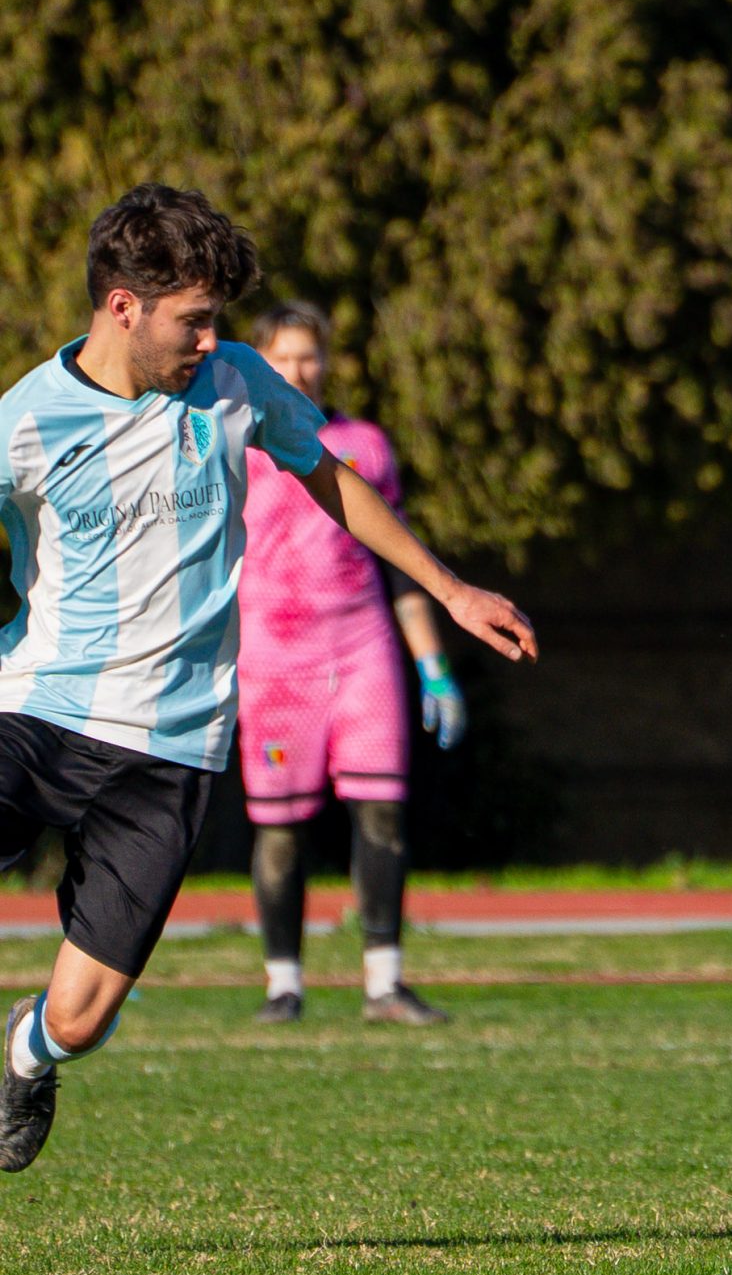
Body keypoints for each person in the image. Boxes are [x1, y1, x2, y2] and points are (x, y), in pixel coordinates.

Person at [0, 186, 537, 1174]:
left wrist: (451, 589)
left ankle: (25, 1056)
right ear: (123, 306)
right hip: (35, 713)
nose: (212, 340)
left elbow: (327, 475)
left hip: (173, 745)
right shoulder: (25, 423)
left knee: (79, 1018)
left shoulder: (236, 383)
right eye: (194, 319)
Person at [238, 302, 466, 1026]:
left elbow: (400, 563)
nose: (298, 370)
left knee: (383, 813)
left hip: (362, 650)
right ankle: (283, 984)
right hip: (273, 661)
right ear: (259, 362)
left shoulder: (365, 444)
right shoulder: (235, 444)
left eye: (309, 355)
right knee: (279, 828)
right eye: (283, 356)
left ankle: (384, 984)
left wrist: (433, 667)